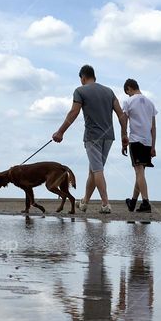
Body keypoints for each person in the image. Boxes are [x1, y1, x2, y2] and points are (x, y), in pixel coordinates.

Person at [52, 65, 128, 215]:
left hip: (93, 136)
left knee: (97, 170)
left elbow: (74, 112)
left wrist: (60, 132)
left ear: (83, 77)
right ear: (94, 77)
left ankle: (105, 204)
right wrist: (124, 134)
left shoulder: (80, 91)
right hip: (109, 137)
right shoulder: (109, 91)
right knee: (93, 171)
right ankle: (85, 202)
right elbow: (121, 114)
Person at [120, 79, 157, 213]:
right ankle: (133, 202)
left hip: (135, 140)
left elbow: (123, 121)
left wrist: (123, 139)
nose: (128, 95)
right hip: (147, 141)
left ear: (129, 88)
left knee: (139, 172)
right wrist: (153, 146)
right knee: (140, 173)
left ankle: (146, 202)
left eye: (127, 93)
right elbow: (153, 127)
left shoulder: (128, 102)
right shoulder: (150, 103)